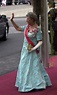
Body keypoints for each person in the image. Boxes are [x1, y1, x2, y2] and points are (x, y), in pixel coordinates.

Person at [10, 12, 52, 92]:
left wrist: (34, 48)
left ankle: (36, 83)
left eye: (28, 19)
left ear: (32, 19)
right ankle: (24, 82)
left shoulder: (37, 29)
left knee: (34, 67)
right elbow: (18, 28)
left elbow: (40, 41)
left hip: (32, 51)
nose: (26, 20)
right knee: (24, 66)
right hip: (25, 51)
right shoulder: (27, 27)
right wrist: (12, 20)